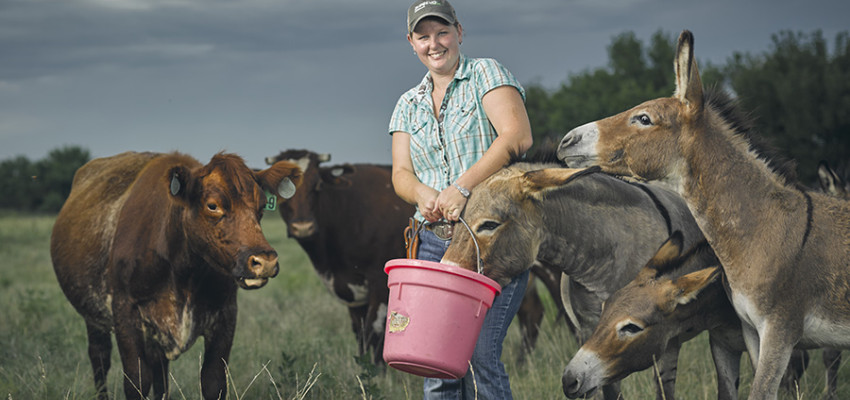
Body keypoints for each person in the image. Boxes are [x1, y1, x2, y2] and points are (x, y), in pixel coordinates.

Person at [388, 1, 534, 398]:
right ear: (411, 42)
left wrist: (462, 188)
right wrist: (425, 194)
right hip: (433, 241)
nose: (434, 44)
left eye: (442, 33)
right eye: (423, 36)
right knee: (436, 363)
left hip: (491, 240)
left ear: (459, 32)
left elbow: (516, 136)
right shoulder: (407, 104)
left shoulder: (486, 73)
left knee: (480, 358)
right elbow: (401, 175)